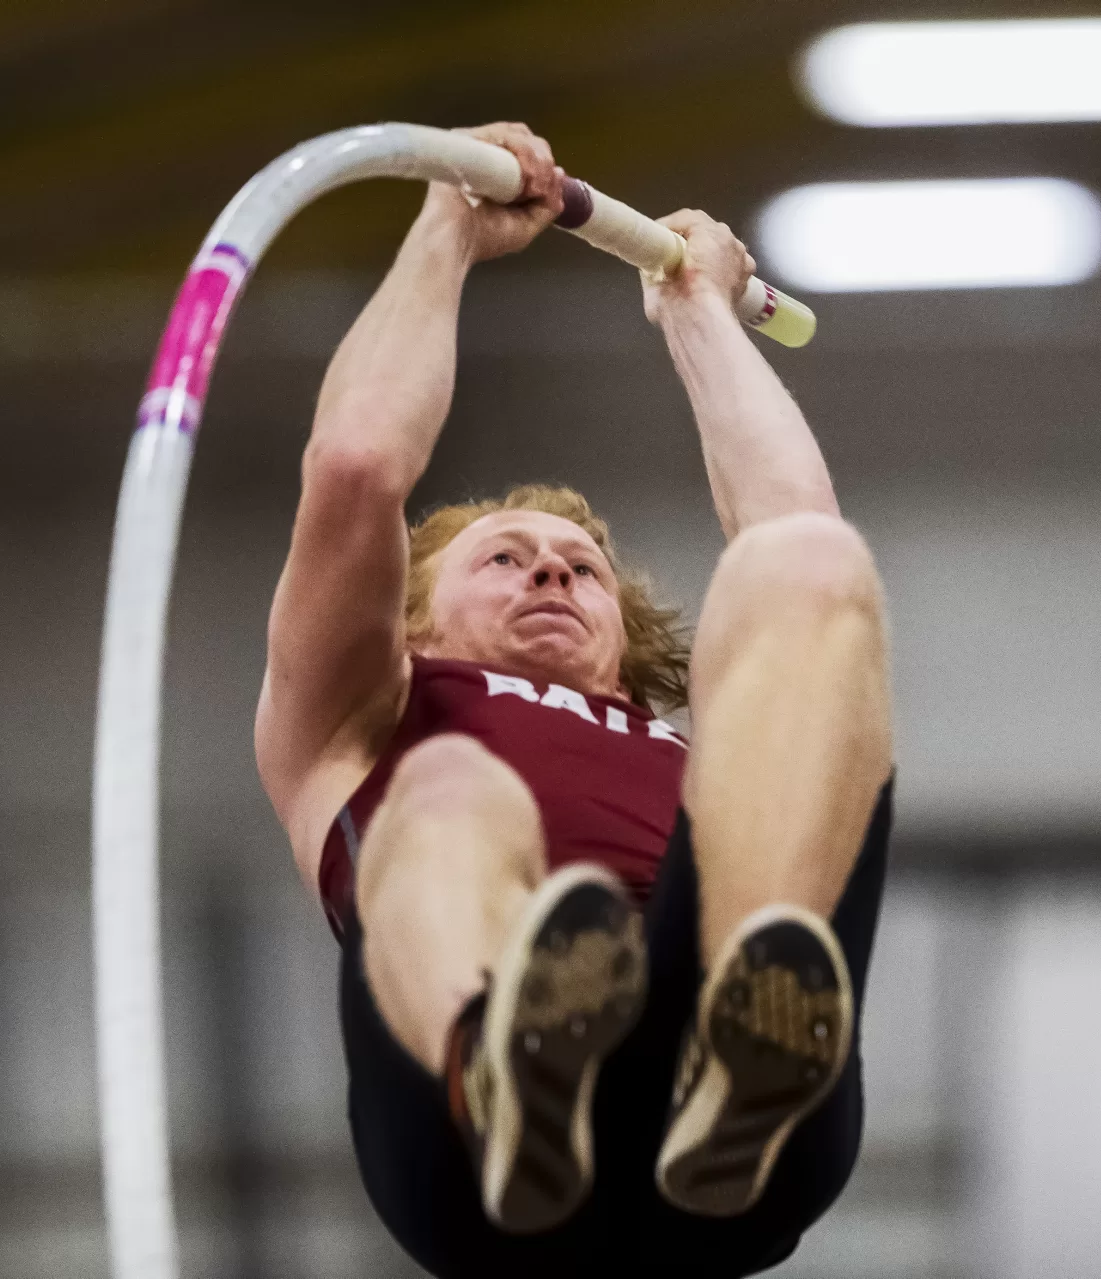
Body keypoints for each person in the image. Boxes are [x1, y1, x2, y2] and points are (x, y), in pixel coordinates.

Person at [253, 121, 894, 1278]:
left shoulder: (682, 751)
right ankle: (502, 1061)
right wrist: (443, 226)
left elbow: (794, 526)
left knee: (813, 569)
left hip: (722, 1123)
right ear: (408, 617)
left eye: (578, 565)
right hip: (464, 1152)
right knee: (448, 783)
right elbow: (354, 467)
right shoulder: (360, 719)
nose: (549, 567)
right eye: (501, 557)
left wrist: (698, 311)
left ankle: (733, 1060)